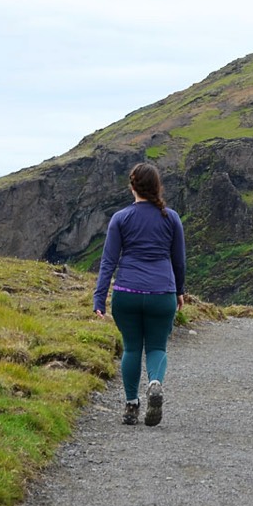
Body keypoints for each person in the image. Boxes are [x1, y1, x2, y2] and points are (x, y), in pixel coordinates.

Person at [94, 162, 187, 426]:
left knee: (132, 348)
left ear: (132, 186)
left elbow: (108, 262)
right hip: (162, 292)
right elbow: (179, 261)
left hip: (126, 293)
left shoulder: (121, 218)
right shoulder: (171, 218)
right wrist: (179, 291)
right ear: (157, 187)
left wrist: (99, 298)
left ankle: (131, 405)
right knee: (157, 347)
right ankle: (155, 382)